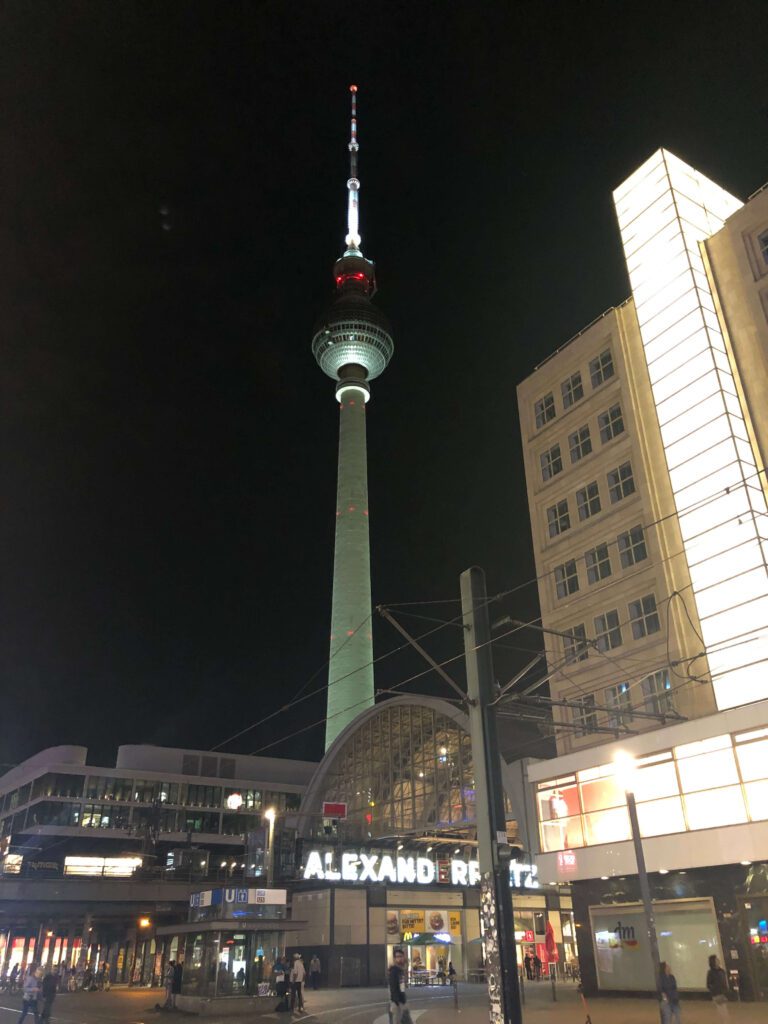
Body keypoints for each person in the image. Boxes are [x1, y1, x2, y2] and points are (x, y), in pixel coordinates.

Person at [706, 955, 730, 1021]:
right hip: (717, 994)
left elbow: (724, 982)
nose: (718, 961)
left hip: (723, 993)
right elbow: (708, 984)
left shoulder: (722, 971)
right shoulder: (711, 972)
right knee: (723, 1012)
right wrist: (715, 991)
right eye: (716, 960)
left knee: (724, 1011)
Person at [388, 947, 407, 1024]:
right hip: (396, 1001)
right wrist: (396, 1001)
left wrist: (403, 999)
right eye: (397, 957)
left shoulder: (400, 971)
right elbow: (393, 987)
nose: (399, 959)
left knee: (399, 1020)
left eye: (401, 956)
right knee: (396, 1020)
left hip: (400, 1000)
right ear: (395, 959)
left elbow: (402, 986)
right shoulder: (394, 971)